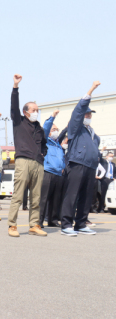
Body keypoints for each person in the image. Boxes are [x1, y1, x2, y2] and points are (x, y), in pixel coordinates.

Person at [7, 74, 48, 237]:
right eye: (33, 110)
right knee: (18, 194)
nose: (36, 113)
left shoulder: (39, 127)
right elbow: (13, 106)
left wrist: (42, 154)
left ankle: (34, 225)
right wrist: (15, 87)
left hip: (38, 163)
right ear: (25, 112)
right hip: (23, 160)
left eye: (37, 110)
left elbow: (44, 143)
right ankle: (12, 225)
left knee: (36, 197)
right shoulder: (18, 121)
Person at [60, 81, 101, 236]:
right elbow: (78, 111)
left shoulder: (93, 134)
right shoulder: (75, 128)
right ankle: (66, 224)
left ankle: (81, 223)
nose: (88, 116)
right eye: (87, 114)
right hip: (77, 163)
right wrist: (91, 90)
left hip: (90, 166)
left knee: (86, 196)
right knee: (72, 194)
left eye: (90, 114)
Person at [38, 110, 66, 228]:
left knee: (56, 199)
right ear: (48, 133)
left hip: (58, 174)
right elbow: (45, 127)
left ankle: (53, 220)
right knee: (44, 198)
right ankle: (38, 221)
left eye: (57, 130)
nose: (56, 132)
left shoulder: (58, 145)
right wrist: (52, 117)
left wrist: (63, 167)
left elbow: (61, 158)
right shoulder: (45, 142)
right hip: (47, 172)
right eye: (54, 130)